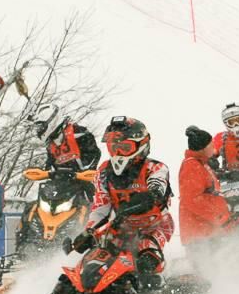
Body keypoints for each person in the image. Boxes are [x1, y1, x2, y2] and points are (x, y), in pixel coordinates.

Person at [71, 116, 174, 282]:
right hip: (121, 225)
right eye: (114, 148)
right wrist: (88, 232)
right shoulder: (104, 171)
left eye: (125, 147)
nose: (118, 153)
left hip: (154, 226)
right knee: (94, 259)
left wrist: (146, 197)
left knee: (147, 259)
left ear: (141, 146)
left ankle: (157, 288)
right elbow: (100, 208)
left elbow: (157, 190)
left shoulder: (155, 168)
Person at [30, 104, 101, 199]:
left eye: (41, 126)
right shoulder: (51, 144)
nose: (39, 130)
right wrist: (46, 173)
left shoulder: (79, 133)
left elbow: (94, 153)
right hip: (60, 184)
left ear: (51, 121)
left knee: (88, 199)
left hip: (82, 180)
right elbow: (50, 162)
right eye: (38, 128)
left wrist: (84, 171)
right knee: (43, 199)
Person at [179, 126, 230, 256]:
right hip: (200, 233)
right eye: (210, 144)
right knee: (207, 267)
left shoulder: (202, 164)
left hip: (209, 231)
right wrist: (218, 216)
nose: (213, 146)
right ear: (203, 148)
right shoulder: (192, 166)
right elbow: (192, 199)